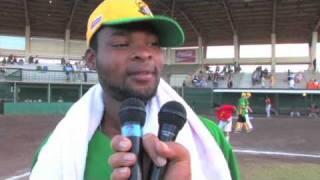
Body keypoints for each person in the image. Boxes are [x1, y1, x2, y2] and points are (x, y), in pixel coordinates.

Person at [30, 0, 240, 180]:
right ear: (92, 60)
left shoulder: (210, 137)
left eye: (154, 43)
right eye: (121, 44)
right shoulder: (55, 151)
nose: (144, 53)